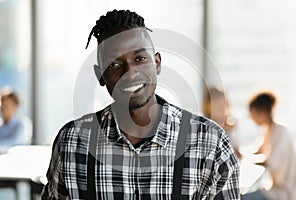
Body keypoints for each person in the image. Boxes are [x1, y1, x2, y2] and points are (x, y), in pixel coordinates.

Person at [42, 9, 240, 199]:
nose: (130, 72)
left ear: (157, 63)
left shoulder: (211, 144)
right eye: (114, 64)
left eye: (140, 58)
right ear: (100, 75)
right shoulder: (72, 142)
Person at [241, 91, 296, 200]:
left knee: (242, 197)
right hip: (276, 188)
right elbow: (258, 150)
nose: (252, 118)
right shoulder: (269, 129)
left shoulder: (280, 131)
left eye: (252, 114)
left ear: (262, 113)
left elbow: (271, 161)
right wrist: (240, 153)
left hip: (286, 191)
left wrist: (246, 158)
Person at [203, 86, 242, 159]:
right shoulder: (203, 125)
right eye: (217, 106)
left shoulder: (231, 124)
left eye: (223, 106)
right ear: (207, 106)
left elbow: (237, 152)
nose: (221, 110)